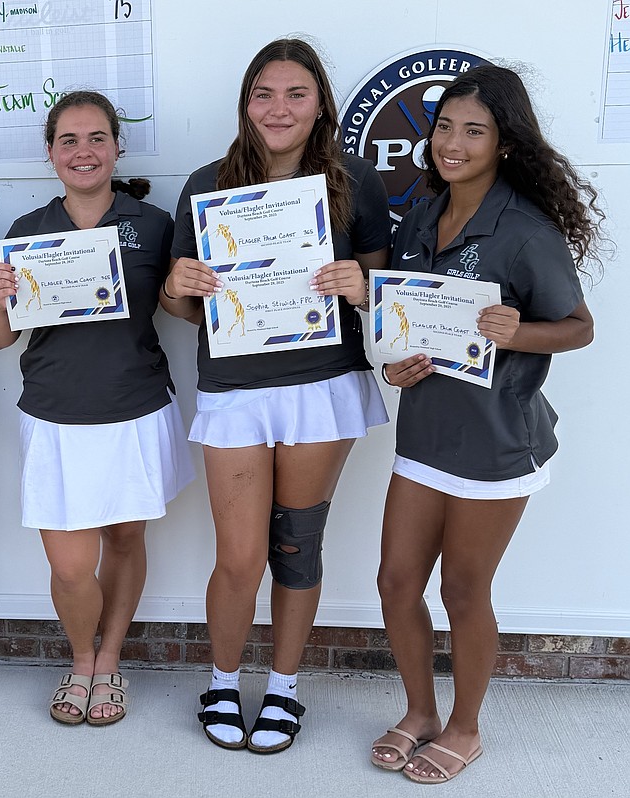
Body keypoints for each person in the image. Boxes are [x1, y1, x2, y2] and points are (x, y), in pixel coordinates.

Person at [371, 64, 600, 783]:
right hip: (426, 435)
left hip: (499, 442)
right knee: (395, 583)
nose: (454, 143)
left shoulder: (525, 230)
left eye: (475, 131)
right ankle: (420, 711)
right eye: (445, 127)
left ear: (504, 143)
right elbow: (400, 325)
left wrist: (517, 331)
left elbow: (578, 327)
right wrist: (392, 365)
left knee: (464, 592)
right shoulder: (419, 213)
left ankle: (466, 726)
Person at [163, 39, 390, 753]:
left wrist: (361, 286)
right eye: (264, 93)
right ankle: (225, 681)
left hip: (322, 387)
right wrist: (179, 288)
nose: (279, 108)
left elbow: (382, 300)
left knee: (295, 547)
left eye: (296, 93)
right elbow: (179, 306)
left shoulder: (354, 180)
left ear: (320, 101)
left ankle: (286, 687)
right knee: (239, 557)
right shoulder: (206, 183)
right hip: (235, 388)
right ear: (246, 102)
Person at [0, 90, 194, 726]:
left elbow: (182, 312)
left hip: (135, 408)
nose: (84, 151)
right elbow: (0, 338)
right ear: (50, 153)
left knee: (127, 538)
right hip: (54, 414)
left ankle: (109, 663)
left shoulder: (154, 224)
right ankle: (80, 657)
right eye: (69, 140)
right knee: (72, 566)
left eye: (96, 137)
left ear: (116, 146)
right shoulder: (27, 232)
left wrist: (188, 286)